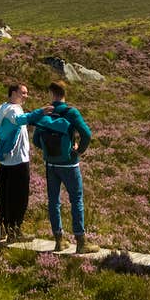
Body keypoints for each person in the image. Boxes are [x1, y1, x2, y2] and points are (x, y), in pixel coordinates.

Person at [33, 80, 100, 254]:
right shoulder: (71, 112)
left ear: (51, 94)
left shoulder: (46, 112)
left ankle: (59, 240)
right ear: (64, 94)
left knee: (54, 201)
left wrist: (49, 150)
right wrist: (79, 151)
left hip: (51, 164)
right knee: (76, 200)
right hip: (70, 164)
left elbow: (35, 140)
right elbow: (87, 134)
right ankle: (81, 242)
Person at [0, 83, 52, 243]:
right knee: (20, 198)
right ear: (13, 93)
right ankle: (15, 230)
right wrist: (40, 112)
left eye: (27, 93)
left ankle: (1, 228)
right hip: (18, 160)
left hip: (6, 161)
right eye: (23, 93)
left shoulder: (3, 108)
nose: (26, 96)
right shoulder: (13, 110)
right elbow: (21, 119)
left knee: (5, 196)